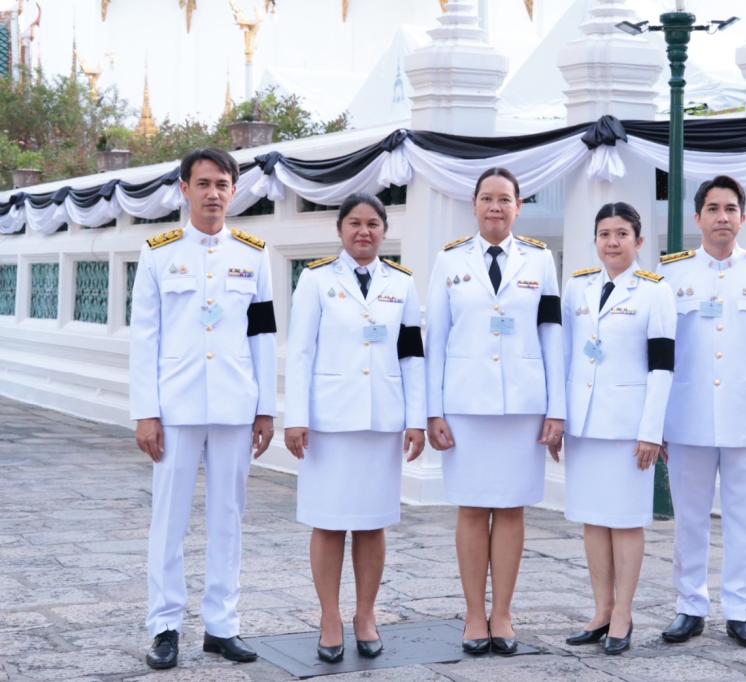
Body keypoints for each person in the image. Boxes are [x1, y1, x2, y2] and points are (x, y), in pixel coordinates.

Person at [130, 147, 276, 670]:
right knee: (168, 520)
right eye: (203, 184)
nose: (213, 193)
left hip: (236, 403)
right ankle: (165, 625)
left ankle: (222, 625)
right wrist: (146, 411)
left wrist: (266, 408)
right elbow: (144, 337)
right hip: (176, 406)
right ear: (184, 189)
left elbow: (263, 335)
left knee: (228, 518)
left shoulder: (254, 254)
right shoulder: (159, 253)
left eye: (222, 184)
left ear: (234, 192)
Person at [425, 167, 565, 655]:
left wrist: (556, 408)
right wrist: (433, 410)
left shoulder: (540, 260)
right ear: (474, 204)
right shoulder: (449, 260)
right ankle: (473, 613)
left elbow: (552, 334)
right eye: (487, 198)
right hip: (465, 406)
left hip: (523, 406)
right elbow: (436, 338)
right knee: (471, 508)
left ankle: (502, 612)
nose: (495, 207)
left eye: (505, 199)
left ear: (519, 206)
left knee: (510, 508)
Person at [284, 193, 426, 662]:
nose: (364, 232)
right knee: (328, 523)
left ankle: (366, 615)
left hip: (381, 421)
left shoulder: (401, 282)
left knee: (371, 523)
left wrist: (416, 419)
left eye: (372, 224)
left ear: (384, 230)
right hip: (329, 423)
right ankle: (330, 617)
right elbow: (300, 352)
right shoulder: (316, 279)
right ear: (340, 229)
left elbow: (412, 354)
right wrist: (296, 417)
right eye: (354, 223)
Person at [657, 175, 746, 649]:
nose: (722, 217)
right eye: (713, 209)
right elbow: (660, 353)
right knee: (689, 518)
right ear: (698, 217)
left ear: (743, 217)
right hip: (686, 415)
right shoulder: (670, 274)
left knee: (742, 518)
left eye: (731, 209)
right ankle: (690, 606)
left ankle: (742, 609)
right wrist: (657, 422)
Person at [558, 202, 675, 655]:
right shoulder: (578, 286)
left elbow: (662, 366)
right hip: (585, 423)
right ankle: (601, 610)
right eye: (605, 233)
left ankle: (623, 612)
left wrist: (651, 430)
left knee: (625, 521)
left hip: (629, 427)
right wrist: (559, 416)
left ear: (639, 241)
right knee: (593, 519)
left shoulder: (655, 291)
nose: (612, 242)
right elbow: (566, 354)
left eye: (622, 234)